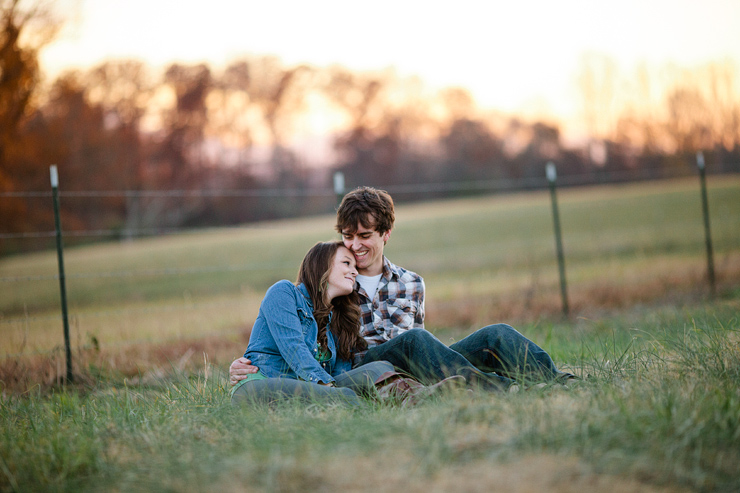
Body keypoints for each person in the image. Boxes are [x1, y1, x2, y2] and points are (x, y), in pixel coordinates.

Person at [231, 187, 574, 393]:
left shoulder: (412, 282)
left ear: (385, 234)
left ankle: (556, 381)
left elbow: (422, 342)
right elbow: (297, 339)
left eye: (364, 236)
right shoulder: (334, 282)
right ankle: (497, 388)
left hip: (416, 358)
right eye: (348, 236)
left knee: (494, 334)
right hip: (365, 367)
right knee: (416, 341)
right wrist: (253, 366)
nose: (354, 246)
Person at [231, 240, 394, 407]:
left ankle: (413, 400)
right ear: (322, 265)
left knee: (381, 368)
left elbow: (341, 374)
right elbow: (293, 347)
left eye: (355, 268)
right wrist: (330, 388)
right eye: (346, 263)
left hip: (312, 390)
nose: (354, 272)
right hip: (261, 385)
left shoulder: (337, 321)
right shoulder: (284, 292)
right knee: (345, 396)